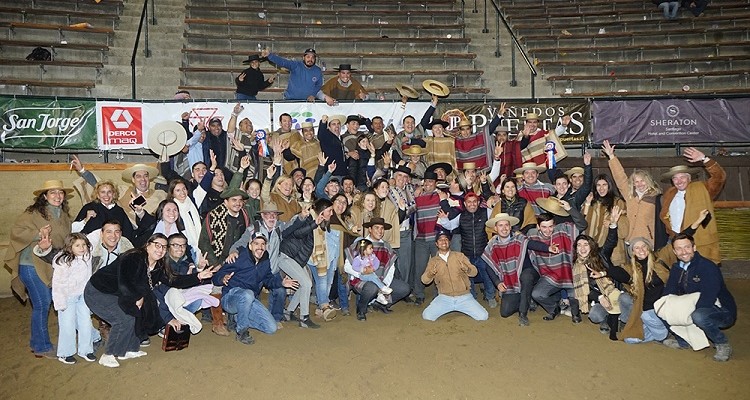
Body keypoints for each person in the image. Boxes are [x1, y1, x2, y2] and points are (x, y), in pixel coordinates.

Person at [85, 233, 216, 368]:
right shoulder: (133, 257)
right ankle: (109, 354)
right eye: (157, 245)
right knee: (124, 318)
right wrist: (137, 298)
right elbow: (125, 282)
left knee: (137, 315)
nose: (160, 250)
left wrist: (198, 276)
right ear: (148, 246)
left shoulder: (158, 265)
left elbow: (174, 280)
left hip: (119, 292)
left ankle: (129, 349)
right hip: (98, 290)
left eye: (164, 247)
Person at [4, 180, 73, 359]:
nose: (57, 196)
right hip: (31, 264)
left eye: (60, 193)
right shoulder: (33, 213)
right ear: (44, 196)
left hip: (48, 263)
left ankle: (37, 343)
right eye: (53, 193)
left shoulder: (64, 215)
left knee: (44, 303)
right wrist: (38, 234)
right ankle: (42, 347)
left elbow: (64, 239)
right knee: (42, 304)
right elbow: (17, 232)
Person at [660, 234, 737, 362]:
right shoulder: (676, 268)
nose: (683, 252)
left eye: (687, 247)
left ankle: (722, 343)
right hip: (692, 305)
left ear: (694, 247)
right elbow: (669, 291)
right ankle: (683, 341)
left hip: (720, 309)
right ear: (674, 251)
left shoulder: (708, 267)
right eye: (679, 248)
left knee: (699, 316)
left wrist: (685, 314)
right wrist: (666, 307)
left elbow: (708, 297)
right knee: (661, 308)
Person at [214, 232, 299, 345]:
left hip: (249, 299)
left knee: (271, 328)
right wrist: (222, 278)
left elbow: (268, 279)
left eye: (263, 244)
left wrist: (281, 282)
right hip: (230, 298)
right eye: (256, 244)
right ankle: (242, 331)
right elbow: (216, 276)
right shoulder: (239, 257)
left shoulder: (265, 259)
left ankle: (236, 318)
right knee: (248, 294)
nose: (260, 247)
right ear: (250, 245)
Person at [482, 212, 558, 325]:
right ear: (495, 228)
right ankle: (526, 298)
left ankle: (523, 314)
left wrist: (548, 248)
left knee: (526, 277)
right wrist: (497, 282)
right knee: (505, 312)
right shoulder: (492, 244)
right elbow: (488, 266)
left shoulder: (519, 238)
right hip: (510, 281)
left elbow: (532, 244)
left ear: (510, 226)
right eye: (501, 225)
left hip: (528, 273)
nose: (504, 228)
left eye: (506, 225)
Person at [659, 147, 725, 265]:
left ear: (689, 178)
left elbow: (719, 177)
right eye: (675, 178)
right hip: (676, 242)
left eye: (682, 177)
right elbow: (665, 216)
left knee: (704, 276)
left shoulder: (703, 189)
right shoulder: (670, 194)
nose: (679, 181)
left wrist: (704, 159)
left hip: (700, 242)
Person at [198, 188, 251, 336]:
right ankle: (217, 323)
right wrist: (216, 263)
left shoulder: (245, 216)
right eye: (234, 200)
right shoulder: (213, 216)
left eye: (240, 200)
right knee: (217, 286)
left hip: (235, 258)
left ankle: (231, 318)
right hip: (216, 257)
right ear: (225, 201)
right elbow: (203, 242)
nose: (238, 203)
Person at [527, 198, 588, 321]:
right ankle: (554, 308)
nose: (548, 230)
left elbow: (582, 225)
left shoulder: (563, 229)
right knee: (537, 294)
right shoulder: (532, 234)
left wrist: (570, 209)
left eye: (550, 226)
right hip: (549, 276)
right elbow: (523, 243)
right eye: (544, 227)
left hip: (568, 273)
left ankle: (576, 313)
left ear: (554, 224)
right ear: (538, 226)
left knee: (573, 297)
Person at [437, 192, 497, 308]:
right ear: (465, 203)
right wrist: (444, 220)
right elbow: (450, 226)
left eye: (474, 201)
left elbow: (497, 220)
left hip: (483, 253)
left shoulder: (487, 212)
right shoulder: (461, 216)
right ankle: (472, 298)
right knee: (469, 278)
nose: (472, 204)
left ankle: (491, 297)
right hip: (467, 253)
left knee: (488, 276)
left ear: (478, 203)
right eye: (469, 202)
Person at [45, 233, 96, 364]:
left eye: (84, 245)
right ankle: (65, 353)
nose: (82, 248)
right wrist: (60, 302)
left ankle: (86, 350)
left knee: (85, 323)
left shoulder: (87, 257)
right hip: (67, 297)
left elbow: (88, 277)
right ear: (69, 246)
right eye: (77, 245)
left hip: (82, 296)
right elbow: (58, 284)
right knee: (68, 324)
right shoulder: (63, 261)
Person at [421, 231, 489, 322]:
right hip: (444, 298)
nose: (443, 242)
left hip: (464, 297)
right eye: (440, 240)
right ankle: (449, 307)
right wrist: (430, 274)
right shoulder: (433, 261)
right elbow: (424, 280)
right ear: (436, 244)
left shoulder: (459, 256)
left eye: (446, 239)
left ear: (449, 242)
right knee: (427, 316)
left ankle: (461, 307)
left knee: (483, 316)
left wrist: (467, 269)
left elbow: (474, 272)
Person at [602, 140, 661, 243]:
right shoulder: (630, 195)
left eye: (642, 181)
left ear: (648, 181)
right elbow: (620, 178)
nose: (640, 184)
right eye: (636, 182)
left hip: (648, 241)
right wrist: (611, 156)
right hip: (630, 240)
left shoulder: (656, 197)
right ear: (633, 184)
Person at [582, 174, 628, 267]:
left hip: (614, 251)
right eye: (598, 185)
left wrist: (612, 223)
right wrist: (587, 204)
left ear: (609, 186)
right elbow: (582, 224)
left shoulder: (618, 202)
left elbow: (624, 231)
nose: (601, 188)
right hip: (593, 249)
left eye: (604, 185)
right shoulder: (591, 202)